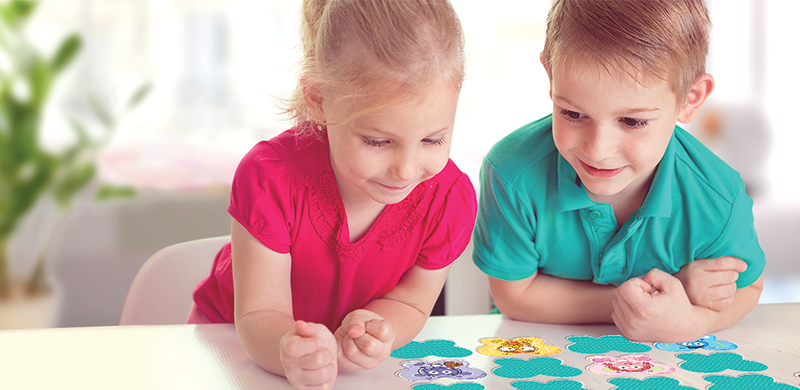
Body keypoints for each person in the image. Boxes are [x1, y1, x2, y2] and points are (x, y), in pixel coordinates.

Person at [190, 0, 476, 388]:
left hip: (344, 371)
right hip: (230, 349)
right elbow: (259, 314)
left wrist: (380, 328)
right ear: (319, 100)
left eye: (433, 139)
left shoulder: (448, 200)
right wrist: (289, 348)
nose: (406, 170)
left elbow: (411, 302)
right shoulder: (270, 177)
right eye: (377, 141)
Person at [472, 0, 765, 343]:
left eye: (632, 121)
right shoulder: (511, 173)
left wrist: (694, 322)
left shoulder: (718, 197)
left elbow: (749, 286)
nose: (597, 150)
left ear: (690, 99)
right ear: (550, 78)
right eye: (572, 114)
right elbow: (514, 297)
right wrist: (668, 296)